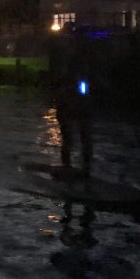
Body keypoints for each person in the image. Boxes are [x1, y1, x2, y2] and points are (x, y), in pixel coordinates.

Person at [52, 32, 94, 176]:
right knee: (71, 136)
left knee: (80, 136)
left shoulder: (78, 62)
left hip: (76, 103)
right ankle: (69, 167)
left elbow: (82, 85)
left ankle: (84, 168)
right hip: (71, 103)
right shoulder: (70, 61)